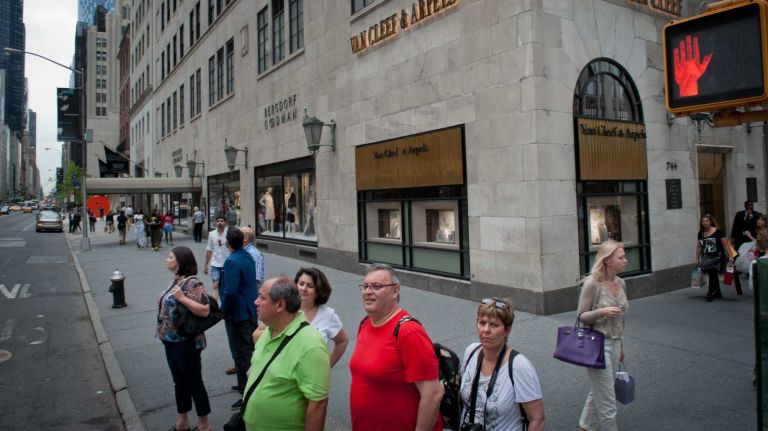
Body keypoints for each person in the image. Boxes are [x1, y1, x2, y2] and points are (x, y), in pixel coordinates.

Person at [349, 263, 444, 431]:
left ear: (395, 291)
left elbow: (433, 393)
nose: (368, 292)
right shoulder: (365, 324)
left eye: (376, 286)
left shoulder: (409, 332)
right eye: (365, 286)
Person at [242, 277, 329, 430]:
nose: (255, 302)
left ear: (280, 305)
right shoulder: (268, 330)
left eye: (262, 298)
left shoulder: (311, 345)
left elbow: (318, 404)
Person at [459, 298, 545, 431]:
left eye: (494, 325)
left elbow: (537, 419)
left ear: (507, 330)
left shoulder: (519, 366)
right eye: (482, 322)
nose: (486, 330)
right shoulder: (471, 352)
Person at [156, 246, 213, 431]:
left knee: (193, 381)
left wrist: (182, 298)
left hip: (186, 342)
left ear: (179, 262)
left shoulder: (192, 283)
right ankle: (183, 422)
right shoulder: (176, 281)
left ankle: (204, 424)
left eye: (170, 257)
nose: (167, 259)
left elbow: (205, 310)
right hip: (170, 340)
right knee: (179, 381)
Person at [251, 267, 349, 368]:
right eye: (301, 284)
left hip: (311, 374)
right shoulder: (284, 308)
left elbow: (342, 340)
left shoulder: (328, 315)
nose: (303, 289)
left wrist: (327, 366)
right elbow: (255, 336)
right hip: (279, 371)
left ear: (319, 290)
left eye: (310, 286)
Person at [577, 240, 628, 431]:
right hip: (596, 345)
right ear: (607, 261)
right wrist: (601, 312)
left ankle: (586, 426)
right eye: (621, 257)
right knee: (608, 402)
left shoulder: (621, 283)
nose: (626, 260)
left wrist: (621, 346)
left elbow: (621, 319)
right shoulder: (592, 284)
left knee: (599, 390)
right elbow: (581, 316)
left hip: (614, 343)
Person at [219, 227, 258, 410]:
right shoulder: (247, 256)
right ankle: (244, 383)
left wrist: (223, 310)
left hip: (238, 313)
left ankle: (246, 392)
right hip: (250, 310)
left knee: (241, 353)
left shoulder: (231, 261)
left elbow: (231, 291)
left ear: (228, 243)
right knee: (248, 350)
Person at [696, 214, 732, 302]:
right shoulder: (701, 233)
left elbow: (725, 244)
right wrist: (697, 258)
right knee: (713, 274)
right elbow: (699, 246)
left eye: (706, 221)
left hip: (718, 256)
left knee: (712, 273)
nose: (705, 223)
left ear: (710, 222)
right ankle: (718, 292)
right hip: (707, 257)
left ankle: (710, 293)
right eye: (703, 221)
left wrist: (730, 255)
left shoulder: (718, 232)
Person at [204, 214, 230, 300]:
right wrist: (206, 265)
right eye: (218, 221)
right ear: (216, 223)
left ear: (225, 223)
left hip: (227, 264)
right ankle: (214, 308)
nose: (220, 223)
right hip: (215, 264)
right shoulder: (211, 234)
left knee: (226, 287)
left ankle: (224, 307)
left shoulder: (229, 233)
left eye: (222, 221)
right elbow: (209, 249)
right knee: (215, 286)